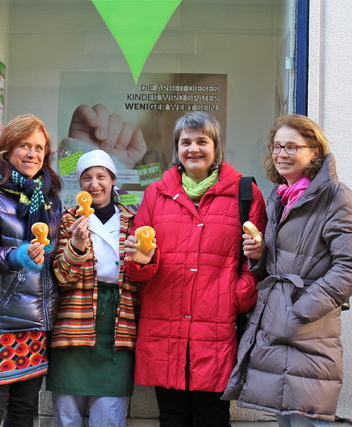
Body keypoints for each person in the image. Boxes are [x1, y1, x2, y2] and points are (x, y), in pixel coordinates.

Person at [222, 115, 352, 426]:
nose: (281, 154)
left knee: (307, 416)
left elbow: (351, 267)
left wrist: (301, 309)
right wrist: (259, 256)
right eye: (276, 146)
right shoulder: (281, 196)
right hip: (278, 326)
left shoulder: (336, 196)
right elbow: (280, 262)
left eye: (291, 146)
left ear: (314, 151)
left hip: (309, 330)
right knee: (288, 417)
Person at [123, 111, 266, 426]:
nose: (194, 149)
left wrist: (235, 295)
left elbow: (256, 263)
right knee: (172, 417)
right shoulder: (155, 194)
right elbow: (136, 269)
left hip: (215, 328)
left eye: (202, 141)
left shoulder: (245, 193)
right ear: (177, 148)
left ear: (216, 147)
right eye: (186, 142)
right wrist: (141, 261)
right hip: (165, 327)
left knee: (211, 417)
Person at [0, 114, 62, 427]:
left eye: (39, 148)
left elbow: (53, 260)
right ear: (7, 150)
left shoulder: (49, 200)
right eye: (25, 146)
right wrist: (20, 255)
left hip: (35, 320)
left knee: (23, 413)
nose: (33, 154)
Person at [46, 150, 140, 426]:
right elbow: (62, 277)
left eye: (101, 176)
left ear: (113, 180)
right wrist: (75, 245)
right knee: (67, 414)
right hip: (74, 319)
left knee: (110, 414)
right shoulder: (67, 220)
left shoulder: (132, 221)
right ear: (80, 185)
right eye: (87, 178)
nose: (94, 184)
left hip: (119, 324)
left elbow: (140, 273)